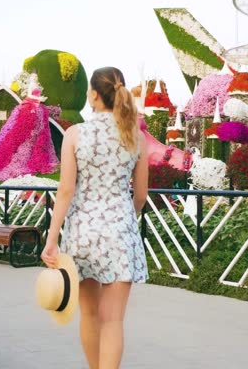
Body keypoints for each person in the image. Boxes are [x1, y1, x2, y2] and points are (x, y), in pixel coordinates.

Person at [41, 67, 148, 369]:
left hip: (83, 234)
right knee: (113, 321)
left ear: (94, 95)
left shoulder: (75, 134)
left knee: (89, 315)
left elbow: (65, 190)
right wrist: (127, 218)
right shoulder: (135, 137)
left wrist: (52, 241)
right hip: (119, 232)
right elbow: (140, 195)